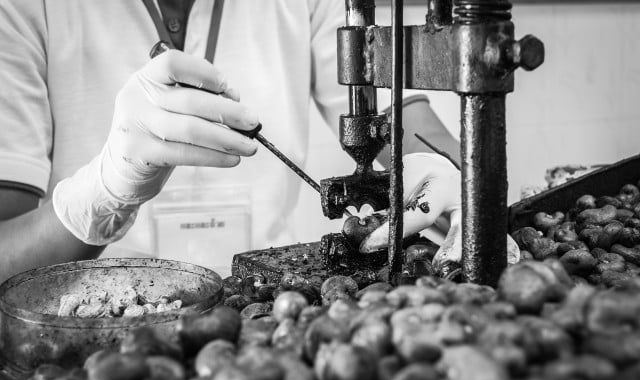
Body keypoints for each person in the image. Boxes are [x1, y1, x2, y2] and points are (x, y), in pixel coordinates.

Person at [0, 0, 467, 283]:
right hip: (99, 330)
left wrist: (452, 175)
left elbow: (396, 117)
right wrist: (100, 197)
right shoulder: (22, 10)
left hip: (270, 309)